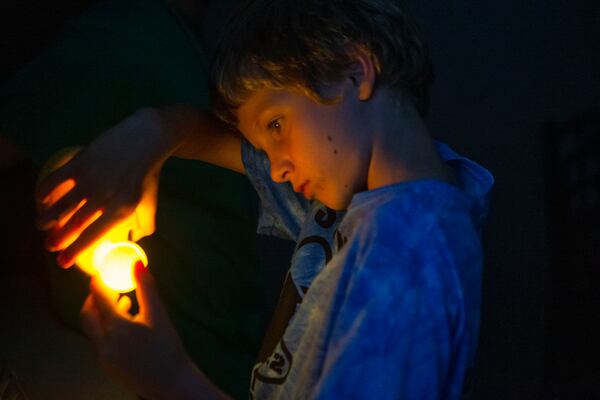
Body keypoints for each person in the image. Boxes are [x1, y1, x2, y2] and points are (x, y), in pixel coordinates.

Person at [36, 0, 494, 398]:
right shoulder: (355, 203)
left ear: (356, 69)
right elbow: (202, 137)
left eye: (276, 125)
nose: (274, 167)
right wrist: (152, 135)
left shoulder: (412, 252)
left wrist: (172, 381)